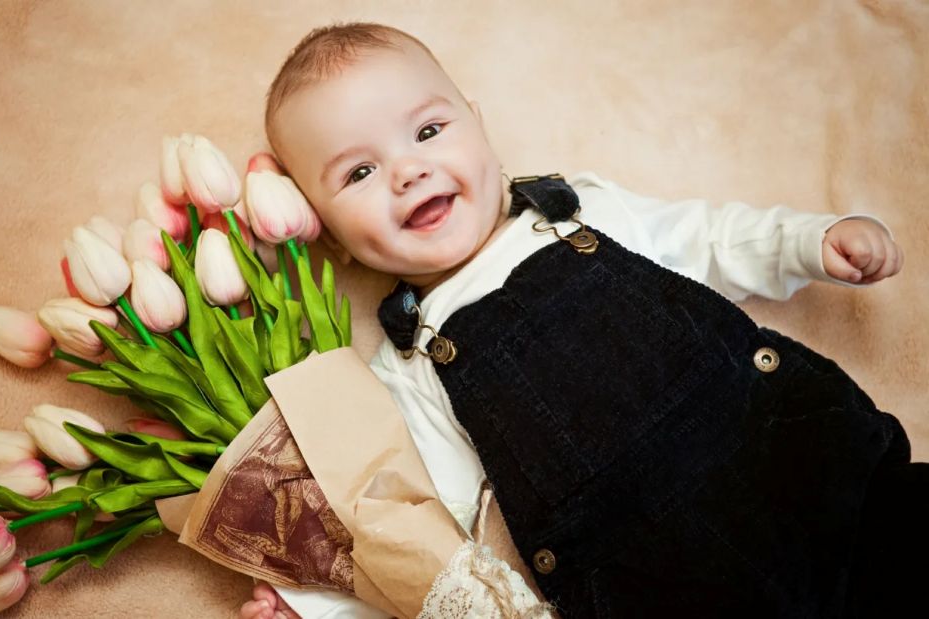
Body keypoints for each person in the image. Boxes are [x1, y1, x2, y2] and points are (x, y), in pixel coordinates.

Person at [241, 21, 919, 619]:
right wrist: (311, 601)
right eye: (359, 172)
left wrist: (808, 243)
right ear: (327, 234)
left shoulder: (576, 213)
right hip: (651, 578)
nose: (408, 171)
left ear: (478, 124)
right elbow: (407, 516)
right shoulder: (415, 359)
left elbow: (705, 240)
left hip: (794, 462)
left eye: (427, 131)